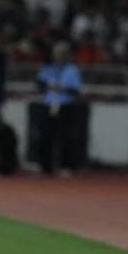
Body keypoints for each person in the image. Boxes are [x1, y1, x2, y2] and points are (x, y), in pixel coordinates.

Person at [35, 41, 82, 176]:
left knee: (65, 137)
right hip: (49, 104)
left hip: (65, 106)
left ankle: (67, 165)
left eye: (61, 54)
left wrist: (61, 88)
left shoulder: (72, 70)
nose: (57, 56)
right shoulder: (49, 68)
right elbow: (39, 84)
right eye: (56, 54)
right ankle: (45, 166)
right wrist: (48, 87)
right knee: (45, 136)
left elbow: (76, 90)